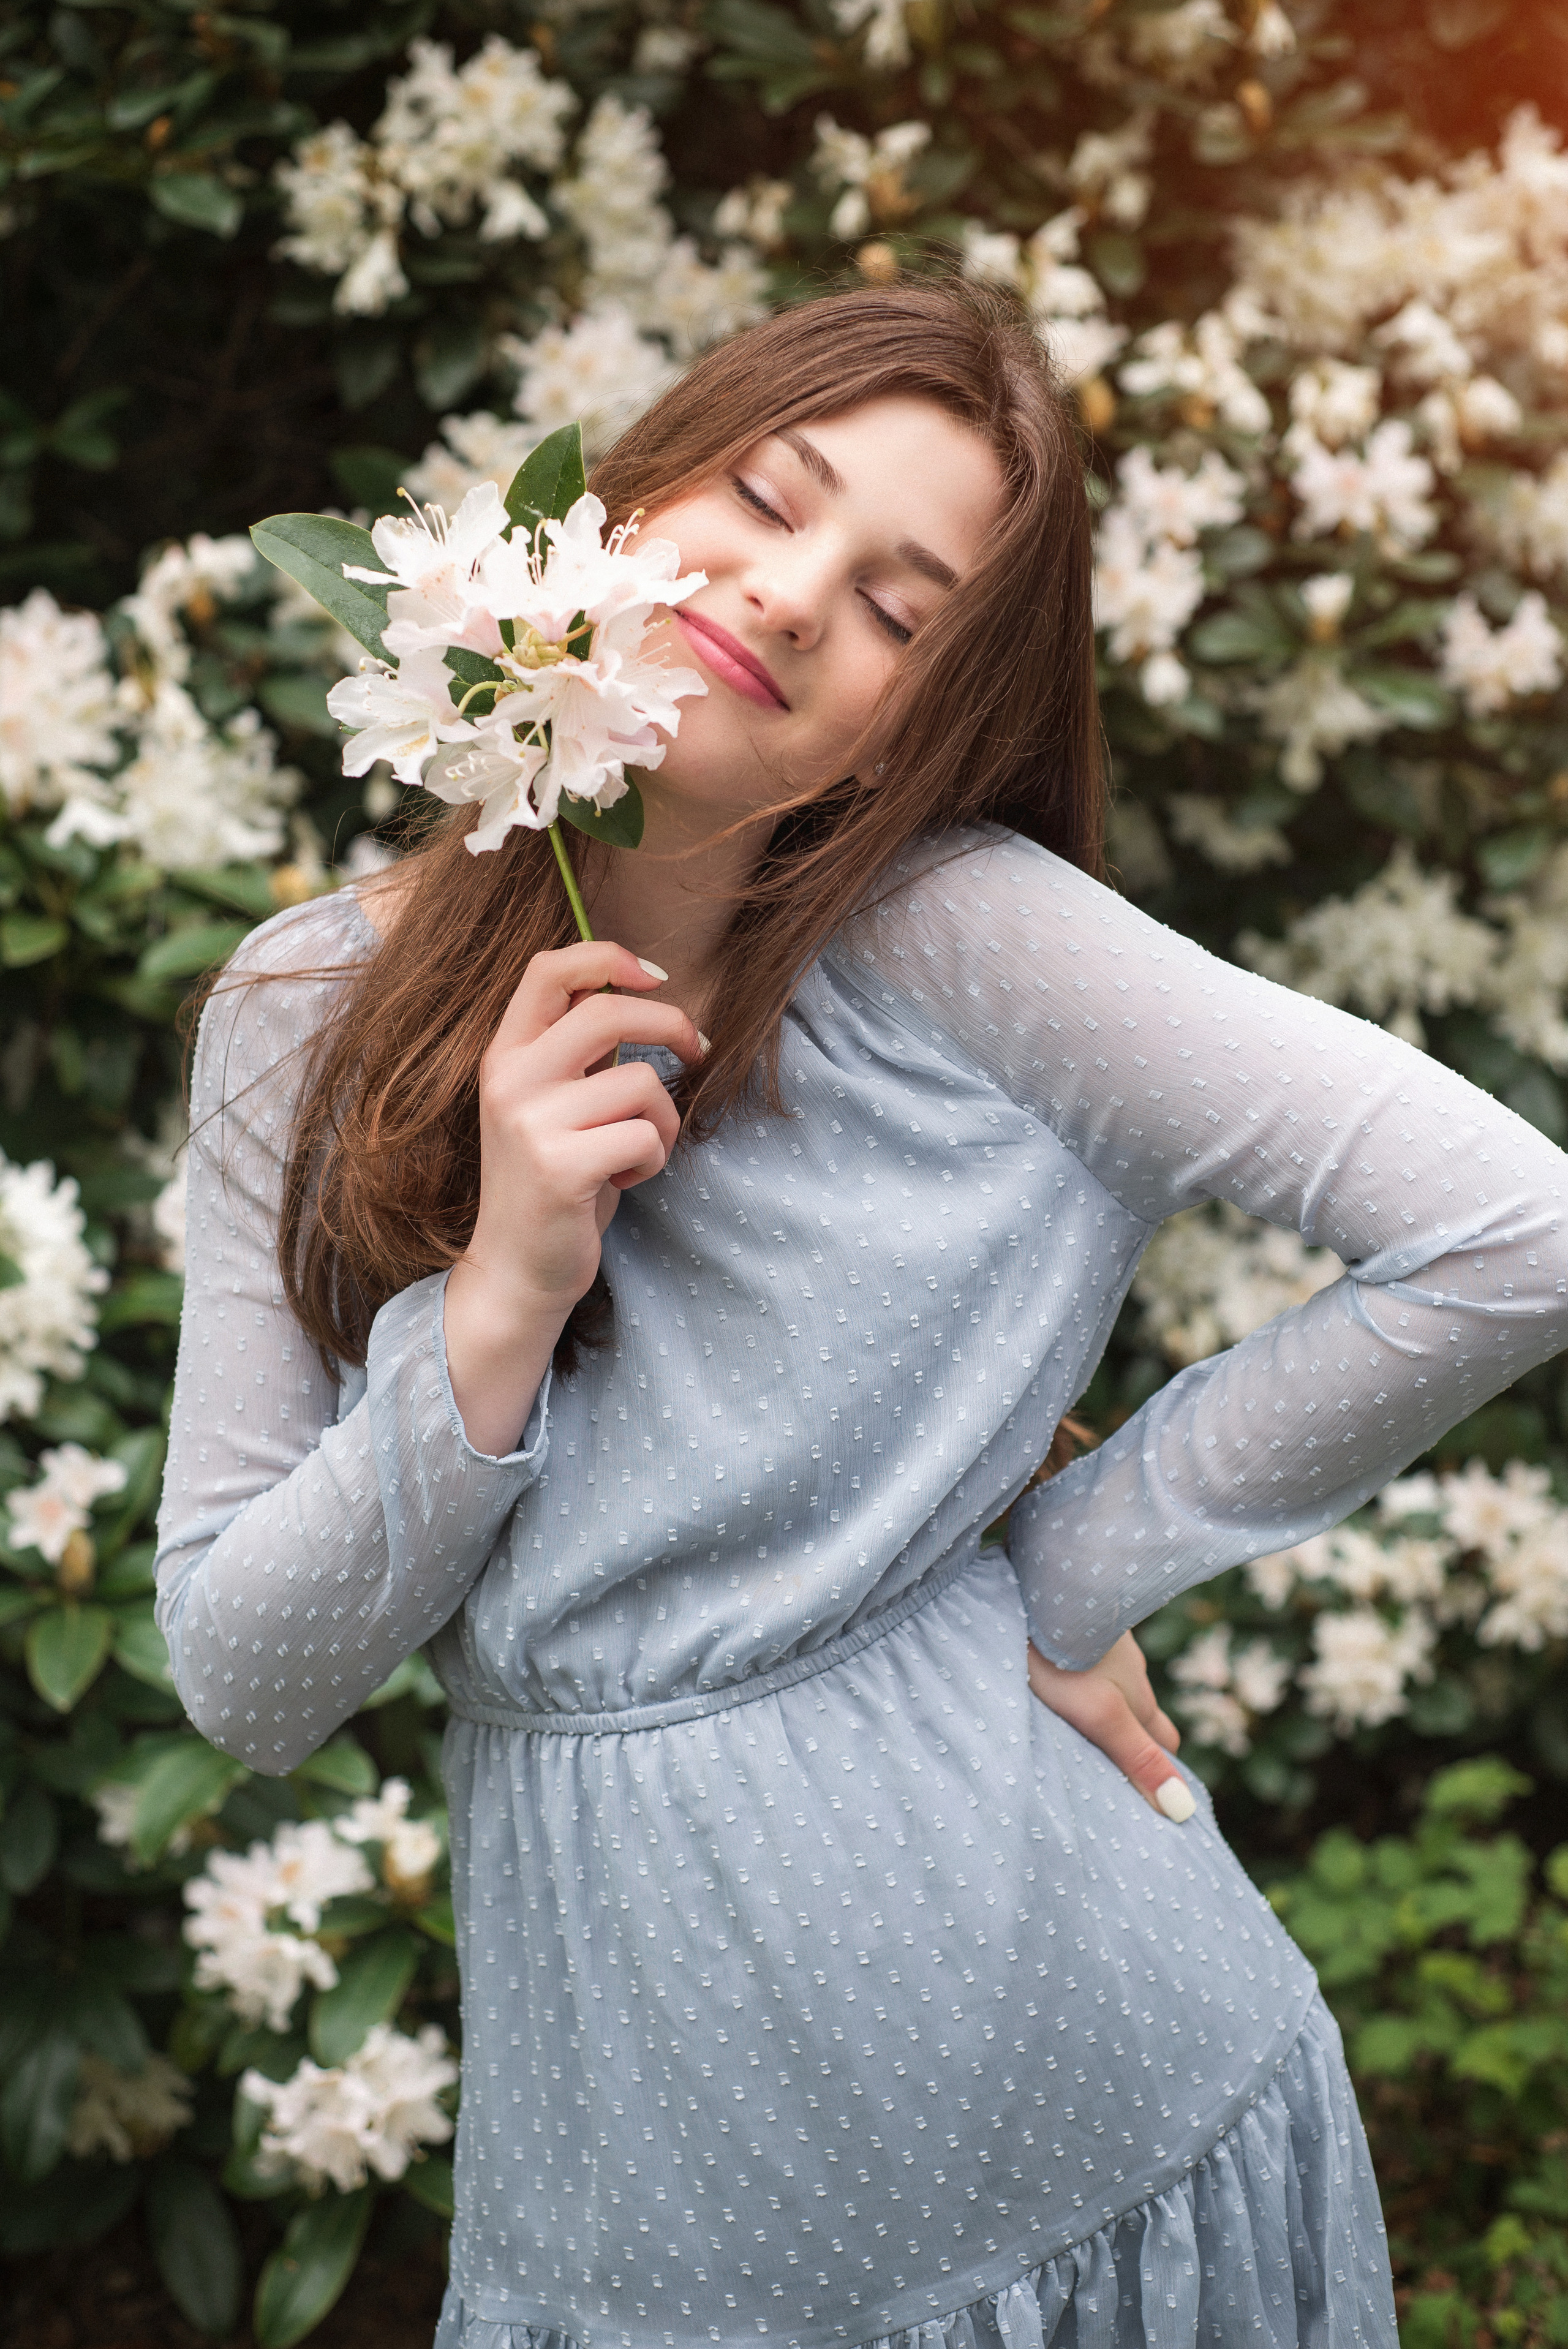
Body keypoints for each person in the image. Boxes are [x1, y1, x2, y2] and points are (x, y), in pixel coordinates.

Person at [155, 280, 1568, 2349]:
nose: (801, 597)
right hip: (639, 2196)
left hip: (1109, 2149)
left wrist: (1066, 1559)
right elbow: (237, 1672)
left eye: (905, 611)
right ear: (616, 504)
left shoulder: (966, 944)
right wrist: (503, 1293)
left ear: (936, 716)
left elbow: (1513, 1226)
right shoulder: (303, 1014)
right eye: (768, 491)